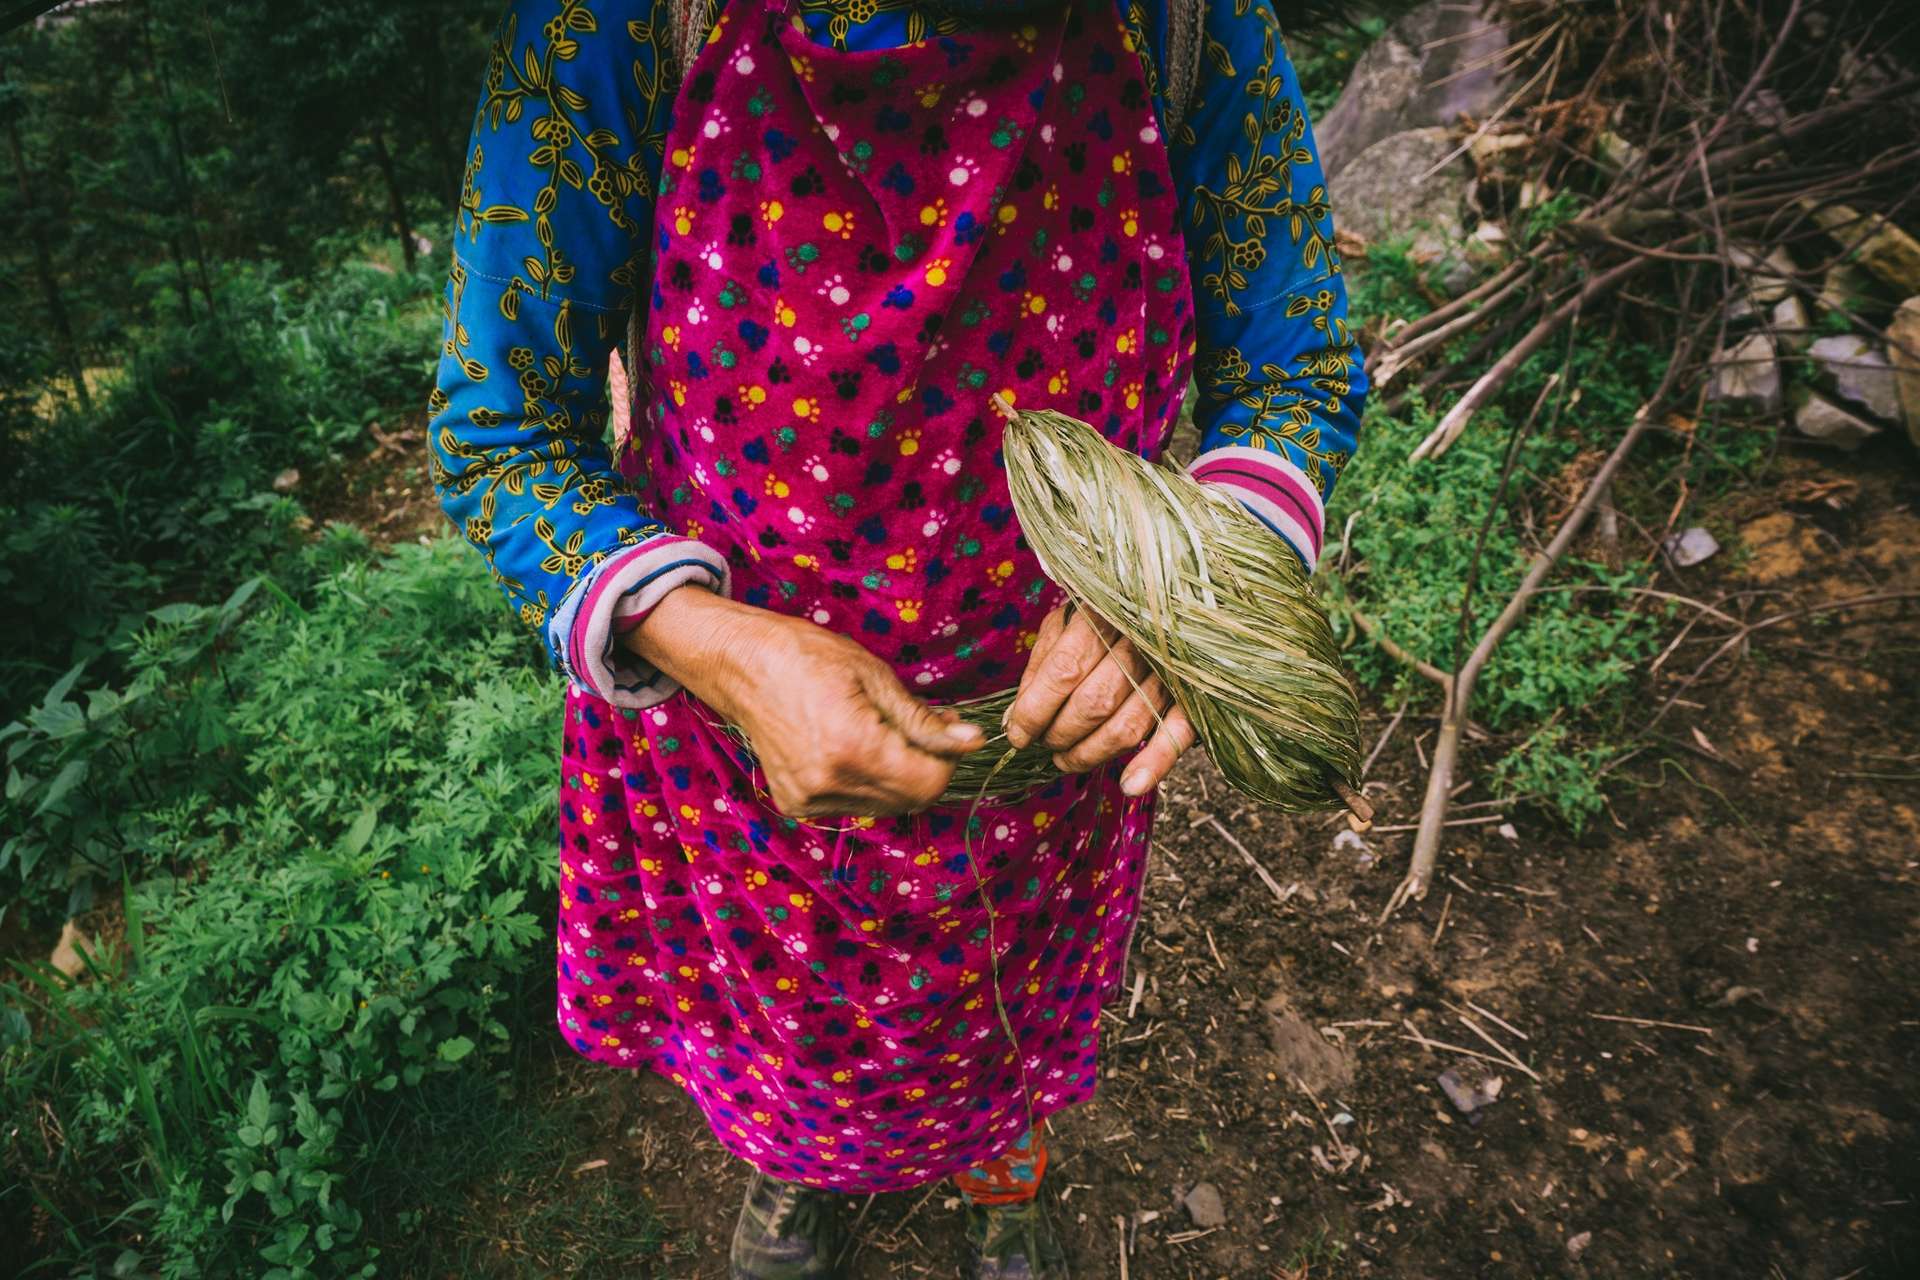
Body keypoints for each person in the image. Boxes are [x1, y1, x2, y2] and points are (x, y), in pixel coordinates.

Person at [429, 0, 1364, 1274]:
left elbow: (1296, 361)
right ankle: (791, 1170)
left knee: (1008, 1006)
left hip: (1054, 750)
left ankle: (1005, 1177)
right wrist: (700, 637)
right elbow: (499, 429)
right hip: (736, 757)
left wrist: (1185, 590)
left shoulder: (1186, 23)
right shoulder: (620, 29)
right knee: (783, 1023)